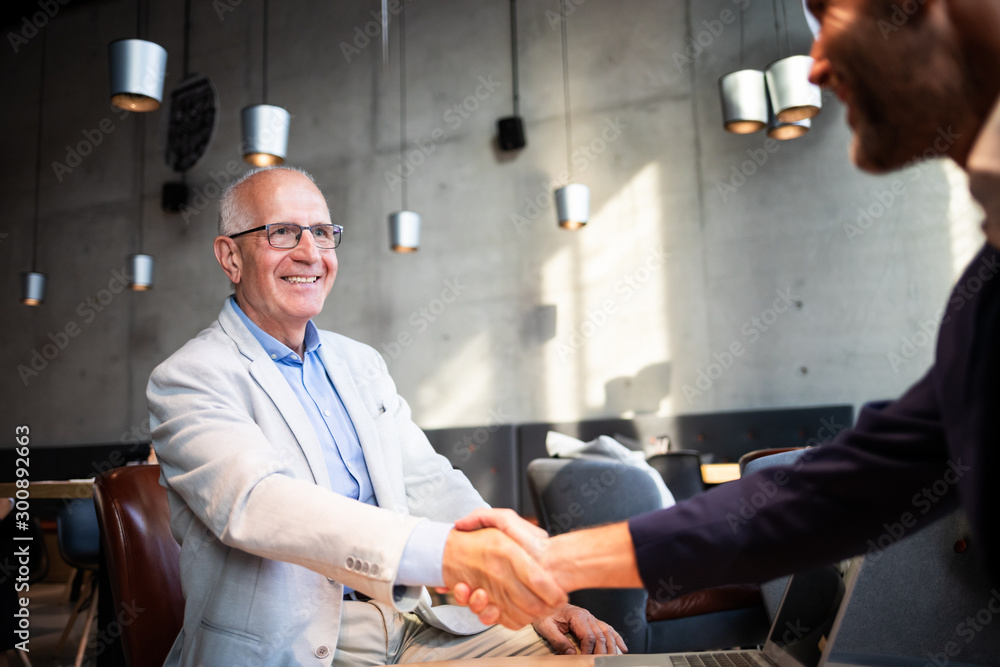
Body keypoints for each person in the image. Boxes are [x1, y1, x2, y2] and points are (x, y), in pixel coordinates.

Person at [449, 0, 1000, 624]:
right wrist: (555, 562)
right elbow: (842, 491)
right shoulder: (982, 294)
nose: (812, 65)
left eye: (828, 12)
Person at [147, 166, 625, 666]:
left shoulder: (361, 363)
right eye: (282, 232)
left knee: (569, 658)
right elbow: (258, 504)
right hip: (292, 641)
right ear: (230, 256)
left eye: (323, 234)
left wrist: (522, 593)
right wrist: (447, 555)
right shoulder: (189, 376)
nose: (310, 253)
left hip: (408, 621)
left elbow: (430, 481)